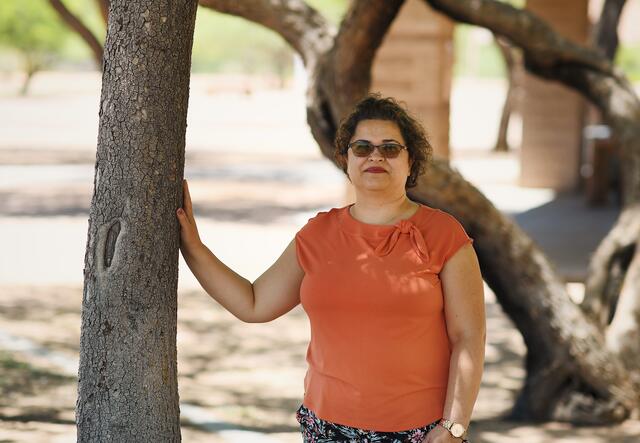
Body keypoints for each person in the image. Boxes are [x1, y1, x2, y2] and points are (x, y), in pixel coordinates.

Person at [176, 93, 485, 443]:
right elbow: (253, 303)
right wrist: (193, 248)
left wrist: (454, 425)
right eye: (362, 147)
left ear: (411, 160)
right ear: (346, 159)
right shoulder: (317, 234)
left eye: (390, 148)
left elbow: (468, 339)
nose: (375, 156)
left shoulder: (444, 235)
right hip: (327, 427)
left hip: (420, 431)